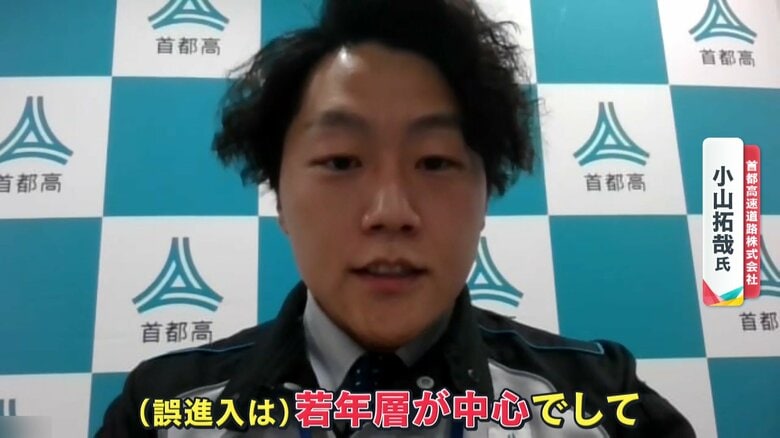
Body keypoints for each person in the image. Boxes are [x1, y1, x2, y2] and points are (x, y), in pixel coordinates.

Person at [97, 0, 695, 436]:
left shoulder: (601, 401)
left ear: (485, 196)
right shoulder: (162, 410)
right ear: (279, 197)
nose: (390, 213)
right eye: (340, 161)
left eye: (435, 162)